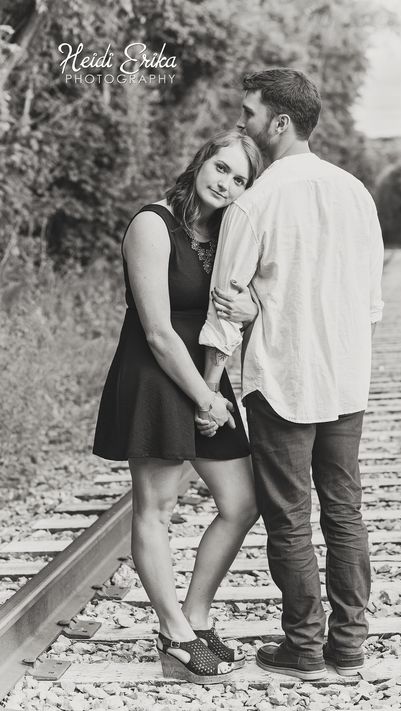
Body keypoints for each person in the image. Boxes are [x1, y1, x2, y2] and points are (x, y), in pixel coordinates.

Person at [199, 69, 384, 680]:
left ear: (279, 122)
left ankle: (304, 647)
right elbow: (373, 304)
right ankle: (350, 647)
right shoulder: (356, 191)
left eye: (248, 113)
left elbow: (224, 312)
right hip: (345, 381)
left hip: (282, 382)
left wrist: (207, 390)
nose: (240, 123)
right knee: (344, 511)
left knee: (289, 518)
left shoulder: (255, 202)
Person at [93, 130, 262, 684]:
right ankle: (174, 634)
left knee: (241, 501)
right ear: (199, 162)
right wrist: (205, 399)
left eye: (240, 179)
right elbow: (159, 332)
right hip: (159, 375)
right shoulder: (152, 223)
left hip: (207, 375)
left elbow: (237, 307)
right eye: (220, 167)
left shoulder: (222, 233)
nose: (226, 183)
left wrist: (249, 305)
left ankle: (196, 613)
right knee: (157, 507)